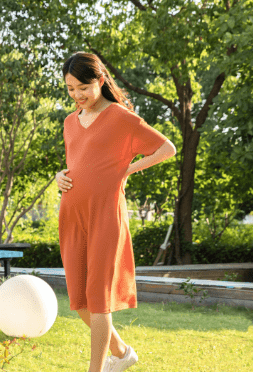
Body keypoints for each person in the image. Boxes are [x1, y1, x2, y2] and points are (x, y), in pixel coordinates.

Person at [56, 52, 176, 372]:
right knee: (79, 300)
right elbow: (77, 164)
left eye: (83, 87)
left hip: (106, 214)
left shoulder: (121, 118)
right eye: (70, 89)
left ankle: (97, 369)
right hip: (72, 214)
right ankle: (122, 353)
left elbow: (166, 148)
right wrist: (59, 176)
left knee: (98, 298)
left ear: (100, 81)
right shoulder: (70, 122)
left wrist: (127, 170)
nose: (77, 95)